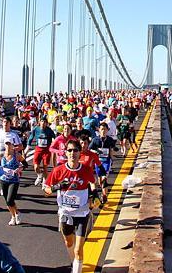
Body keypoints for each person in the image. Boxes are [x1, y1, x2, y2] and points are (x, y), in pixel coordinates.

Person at [44, 140, 94, 273]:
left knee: (78, 249)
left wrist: (94, 196)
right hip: (65, 214)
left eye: (75, 150)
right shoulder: (58, 170)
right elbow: (46, 190)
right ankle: (75, 263)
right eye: (70, 150)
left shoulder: (86, 170)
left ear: (80, 153)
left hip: (82, 213)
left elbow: (92, 184)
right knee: (69, 243)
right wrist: (58, 186)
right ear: (66, 153)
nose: (72, 153)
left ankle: (77, 268)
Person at [89, 122, 117, 203]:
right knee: (100, 179)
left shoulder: (110, 140)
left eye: (105, 129)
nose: (103, 131)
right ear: (99, 130)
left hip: (106, 162)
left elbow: (112, 149)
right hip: (98, 162)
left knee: (104, 178)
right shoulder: (95, 140)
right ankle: (103, 191)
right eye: (101, 129)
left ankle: (104, 196)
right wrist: (96, 151)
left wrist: (112, 159)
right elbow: (90, 149)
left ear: (107, 130)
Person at [26, 116, 56, 187]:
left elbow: (54, 137)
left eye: (45, 122)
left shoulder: (49, 130)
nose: (43, 123)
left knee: (45, 167)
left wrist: (54, 143)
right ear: (39, 122)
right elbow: (31, 137)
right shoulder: (36, 129)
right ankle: (39, 175)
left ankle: (45, 183)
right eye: (42, 121)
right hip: (38, 150)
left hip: (46, 150)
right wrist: (27, 147)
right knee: (36, 166)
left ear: (47, 123)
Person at [0, 140, 24, 226]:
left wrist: (19, 169)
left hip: (14, 180)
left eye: (9, 144)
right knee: (7, 201)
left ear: (13, 145)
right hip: (4, 180)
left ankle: (17, 213)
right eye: (6, 144)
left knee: (10, 200)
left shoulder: (17, 155)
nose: (8, 146)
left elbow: (24, 164)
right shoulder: (2, 155)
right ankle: (13, 216)